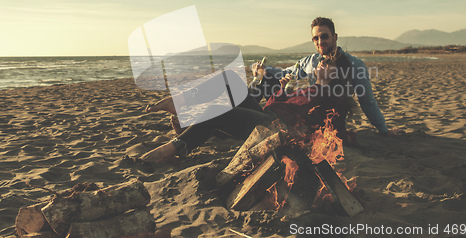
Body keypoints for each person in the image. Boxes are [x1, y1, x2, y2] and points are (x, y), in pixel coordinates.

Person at [141, 60, 352, 164]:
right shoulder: (308, 88)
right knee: (230, 79)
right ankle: (180, 102)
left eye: (329, 63)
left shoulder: (333, 94)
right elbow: (273, 102)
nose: (322, 62)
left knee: (218, 110)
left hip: (276, 127)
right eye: (323, 61)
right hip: (269, 114)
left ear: (338, 74)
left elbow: (335, 127)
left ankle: (172, 149)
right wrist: (282, 88)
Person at [251, 16, 403, 136]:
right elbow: (286, 73)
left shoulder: (355, 65)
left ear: (335, 37)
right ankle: (251, 108)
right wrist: (263, 70)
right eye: (315, 38)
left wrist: (384, 130)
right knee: (263, 80)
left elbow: (367, 102)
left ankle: (252, 116)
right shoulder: (311, 61)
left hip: (329, 120)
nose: (320, 42)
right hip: (307, 115)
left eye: (324, 36)